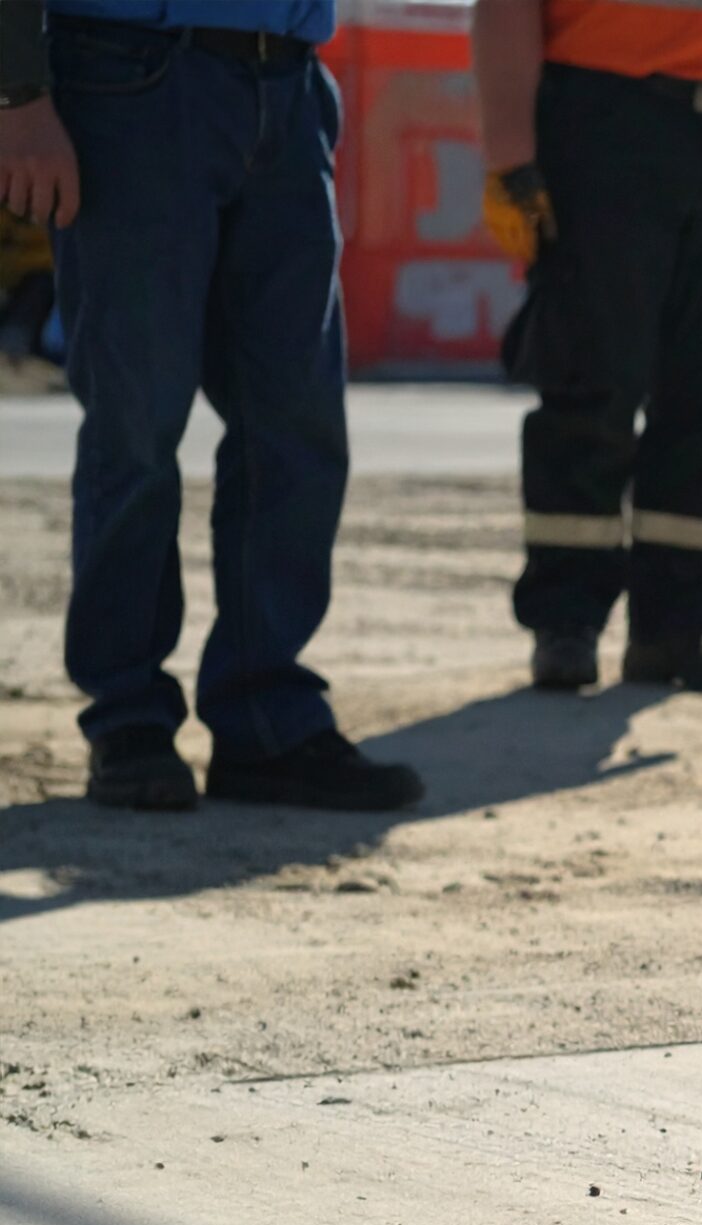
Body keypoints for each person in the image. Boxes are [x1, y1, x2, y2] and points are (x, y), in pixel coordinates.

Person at [0, 0, 424, 812]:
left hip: (290, 81)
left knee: (295, 422)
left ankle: (267, 719)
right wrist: (15, 93)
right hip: (130, 72)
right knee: (138, 422)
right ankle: (128, 718)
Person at [472, 0, 702, 693]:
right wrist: (512, 158)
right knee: (592, 375)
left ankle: (673, 630)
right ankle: (566, 623)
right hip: (608, 119)